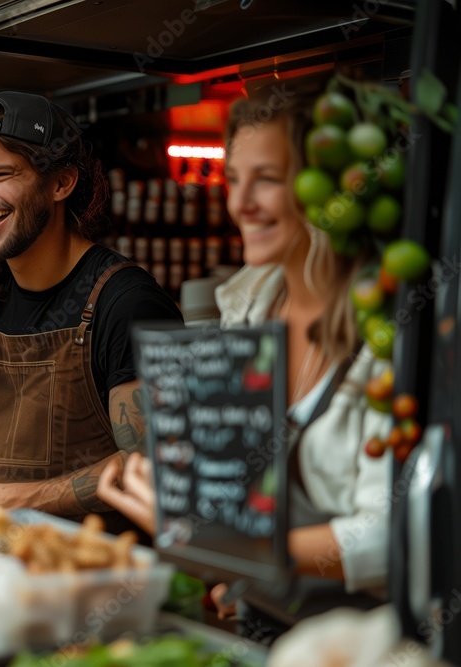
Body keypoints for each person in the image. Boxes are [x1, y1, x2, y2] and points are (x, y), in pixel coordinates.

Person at [97, 79, 392, 631]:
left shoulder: (389, 333)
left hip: (356, 644)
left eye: (267, 180)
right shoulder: (247, 305)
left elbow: (389, 536)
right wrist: (229, 568)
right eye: (234, 180)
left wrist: (230, 548)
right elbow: (238, 488)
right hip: (262, 623)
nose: (240, 203)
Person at [0, 92, 182, 523]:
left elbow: (154, 467)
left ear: (61, 183)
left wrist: (18, 500)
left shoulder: (127, 303)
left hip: (97, 570)